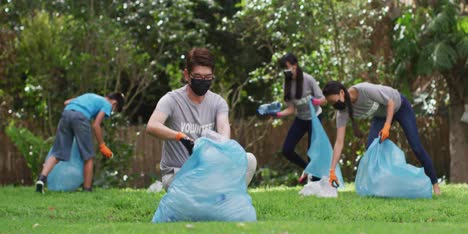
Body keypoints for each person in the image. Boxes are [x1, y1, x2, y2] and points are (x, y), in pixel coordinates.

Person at [146, 47, 257, 191]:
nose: (203, 81)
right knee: (202, 187)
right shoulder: (171, 100)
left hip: (206, 172)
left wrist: (222, 146)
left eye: (208, 77)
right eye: (198, 77)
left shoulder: (218, 102)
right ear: (187, 75)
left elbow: (224, 129)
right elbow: (152, 126)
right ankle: (215, 201)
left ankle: (226, 200)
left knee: (248, 160)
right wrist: (179, 136)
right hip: (178, 175)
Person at [322, 81, 441, 195]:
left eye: (333, 101)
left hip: (400, 106)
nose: (334, 105)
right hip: (381, 116)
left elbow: (390, 102)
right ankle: (381, 186)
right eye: (331, 103)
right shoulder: (342, 113)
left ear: (342, 93)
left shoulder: (364, 90)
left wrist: (387, 126)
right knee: (371, 149)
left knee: (416, 147)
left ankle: (435, 184)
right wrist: (332, 170)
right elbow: (339, 142)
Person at [35, 92, 125, 193]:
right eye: (113, 110)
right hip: (81, 118)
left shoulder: (90, 96)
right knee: (88, 156)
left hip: (66, 113)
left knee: (57, 153)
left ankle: (41, 179)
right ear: (114, 103)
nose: (110, 112)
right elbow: (96, 125)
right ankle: (87, 189)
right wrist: (102, 145)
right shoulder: (107, 104)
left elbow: (66, 102)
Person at [266, 53, 327, 184]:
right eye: (284, 69)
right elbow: (291, 109)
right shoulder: (286, 84)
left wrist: (315, 101)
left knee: (313, 153)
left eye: (288, 68)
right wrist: (277, 115)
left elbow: (324, 100)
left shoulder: (308, 79)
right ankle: (307, 169)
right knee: (287, 150)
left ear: (295, 66)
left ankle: (316, 184)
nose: (287, 71)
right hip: (301, 119)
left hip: (315, 118)